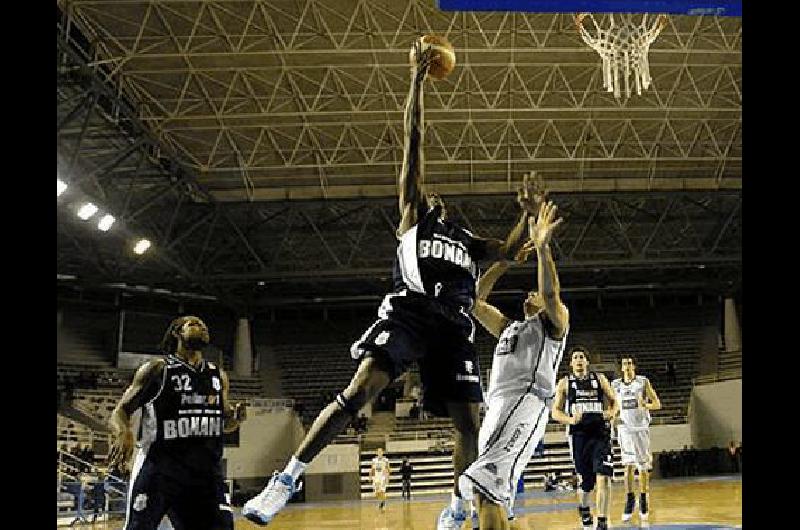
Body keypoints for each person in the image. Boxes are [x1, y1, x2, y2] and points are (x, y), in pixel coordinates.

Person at [242, 36, 536, 530]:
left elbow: (508, 251)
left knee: (469, 422)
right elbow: (414, 141)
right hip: (411, 311)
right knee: (359, 392)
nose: (433, 194)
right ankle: (286, 479)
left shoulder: (464, 239)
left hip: (455, 325)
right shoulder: (413, 216)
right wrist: (417, 83)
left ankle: (459, 507)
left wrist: (525, 221)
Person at [457, 198, 569, 530]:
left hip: (526, 403)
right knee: (487, 496)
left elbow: (550, 294)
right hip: (498, 407)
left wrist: (542, 249)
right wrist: (505, 261)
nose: (529, 294)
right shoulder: (510, 328)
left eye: (532, 291)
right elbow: (474, 301)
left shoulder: (553, 324)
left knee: (489, 490)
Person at [107, 316, 247, 530]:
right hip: (161, 470)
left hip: (206, 474)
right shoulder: (158, 369)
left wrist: (235, 419)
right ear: (176, 333)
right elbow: (121, 411)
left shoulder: (217, 374)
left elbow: (224, 424)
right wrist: (123, 432)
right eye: (193, 324)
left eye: (204, 325)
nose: (201, 327)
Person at [551, 347, 618, 530]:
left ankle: (602, 522)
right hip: (579, 435)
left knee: (604, 476)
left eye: (582, 357)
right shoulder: (565, 383)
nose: (579, 360)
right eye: (575, 357)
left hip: (600, 433)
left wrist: (611, 413)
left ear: (587, 362)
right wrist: (570, 419)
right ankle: (584, 507)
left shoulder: (600, 379)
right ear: (571, 363)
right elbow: (555, 412)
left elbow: (615, 401)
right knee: (586, 482)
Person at [611, 356, 661, 524]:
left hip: (640, 428)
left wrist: (645, 405)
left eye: (630, 363)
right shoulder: (615, 385)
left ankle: (644, 498)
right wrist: (612, 417)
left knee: (643, 467)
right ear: (621, 368)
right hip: (624, 428)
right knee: (628, 466)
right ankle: (630, 499)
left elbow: (657, 404)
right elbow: (612, 407)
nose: (627, 366)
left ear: (634, 366)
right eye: (625, 364)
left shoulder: (642, 382)